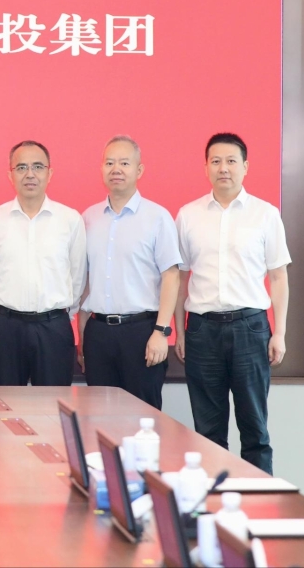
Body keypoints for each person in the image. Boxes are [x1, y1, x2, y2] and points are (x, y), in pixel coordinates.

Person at [175, 133, 290, 474]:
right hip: (201, 330)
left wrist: (279, 333)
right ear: (206, 167)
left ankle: (259, 502)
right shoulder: (188, 215)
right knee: (208, 432)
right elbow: (180, 278)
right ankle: (213, 500)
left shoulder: (265, 214)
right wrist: (179, 331)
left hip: (250, 329)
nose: (223, 168)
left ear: (245, 166)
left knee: (255, 429)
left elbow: (279, 278)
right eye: (216, 161)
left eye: (231, 161)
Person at [79, 136, 181, 409]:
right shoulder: (88, 218)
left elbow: (171, 276)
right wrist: (82, 336)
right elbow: (86, 282)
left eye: (124, 163)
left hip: (142, 333)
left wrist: (161, 331)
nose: (116, 169)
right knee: (99, 417)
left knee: (142, 416)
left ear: (139, 170)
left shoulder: (157, 217)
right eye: (109, 163)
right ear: (101, 169)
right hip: (98, 334)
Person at [0, 140, 86, 386]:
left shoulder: (70, 220)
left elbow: (77, 276)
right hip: (6, 327)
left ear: (50, 173)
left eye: (38, 167)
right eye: (21, 167)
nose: (30, 174)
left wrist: (61, 313)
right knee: (5, 403)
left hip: (54, 327)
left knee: (53, 403)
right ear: (10, 175)